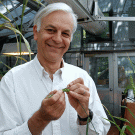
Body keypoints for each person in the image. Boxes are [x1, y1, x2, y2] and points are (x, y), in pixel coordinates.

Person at [0, 2, 110, 135]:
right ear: (36, 32)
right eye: (51, 30)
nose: (58, 39)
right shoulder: (12, 81)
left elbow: (101, 132)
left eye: (65, 33)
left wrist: (84, 114)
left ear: (70, 39)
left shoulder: (82, 78)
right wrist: (40, 118)